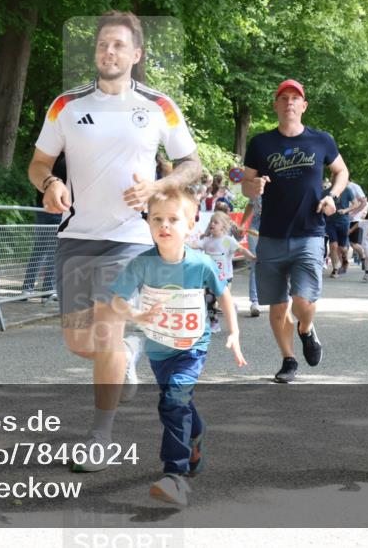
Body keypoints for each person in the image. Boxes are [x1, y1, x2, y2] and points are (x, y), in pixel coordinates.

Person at [27, 10, 201, 471]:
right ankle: (128, 356)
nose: (109, 51)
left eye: (119, 45)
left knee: (105, 334)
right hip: (76, 236)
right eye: (104, 44)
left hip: (127, 239)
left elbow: (191, 164)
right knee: (80, 344)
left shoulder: (159, 105)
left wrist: (161, 188)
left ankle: (100, 436)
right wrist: (50, 185)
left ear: (136, 54)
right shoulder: (66, 104)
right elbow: (39, 162)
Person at [109, 187, 246, 506]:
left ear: (190, 226)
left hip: (192, 347)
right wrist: (137, 313)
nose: (164, 225)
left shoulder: (201, 264)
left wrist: (234, 332)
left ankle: (175, 475)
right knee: (176, 400)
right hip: (159, 350)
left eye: (173, 219)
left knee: (172, 401)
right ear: (149, 224)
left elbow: (224, 295)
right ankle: (195, 435)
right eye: (157, 218)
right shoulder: (141, 264)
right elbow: (115, 301)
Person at [242, 78, 350, 383]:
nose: (289, 102)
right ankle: (288, 359)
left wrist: (332, 196)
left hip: (310, 232)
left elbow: (341, 171)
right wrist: (255, 185)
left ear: (303, 106)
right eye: (284, 98)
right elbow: (245, 183)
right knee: (277, 307)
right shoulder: (261, 143)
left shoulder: (321, 140)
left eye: (295, 98)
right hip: (272, 235)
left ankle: (305, 328)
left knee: (302, 301)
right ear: (276, 105)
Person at [196, 211, 255, 333]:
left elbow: (241, 249)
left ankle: (231, 306)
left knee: (221, 299)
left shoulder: (227, 241)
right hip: (209, 278)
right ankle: (214, 323)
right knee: (210, 300)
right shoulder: (207, 241)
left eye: (215, 222)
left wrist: (253, 258)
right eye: (211, 221)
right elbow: (195, 244)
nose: (212, 224)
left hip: (225, 277)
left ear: (223, 226)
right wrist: (181, 243)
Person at [21, 154, 66, 299]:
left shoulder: (45, 162)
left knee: (40, 249)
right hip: (55, 210)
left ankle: (29, 289)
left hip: (44, 209)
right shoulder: (64, 161)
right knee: (52, 250)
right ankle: (46, 290)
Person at [325, 180, 358, 278]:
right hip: (330, 222)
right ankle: (335, 269)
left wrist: (345, 210)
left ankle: (345, 260)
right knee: (333, 245)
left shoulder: (347, 190)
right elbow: (321, 204)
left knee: (342, 248)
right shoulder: (326, 192)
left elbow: (355, 204)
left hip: (343, 222)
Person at [241, 195, 262, 317]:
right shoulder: (257, 186)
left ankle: (282, 297)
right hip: (255, 226)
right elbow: (250, 204)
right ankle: (255, 301)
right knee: (255, 263)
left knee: (275, 263)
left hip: (275, 228)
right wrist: (243, 223)